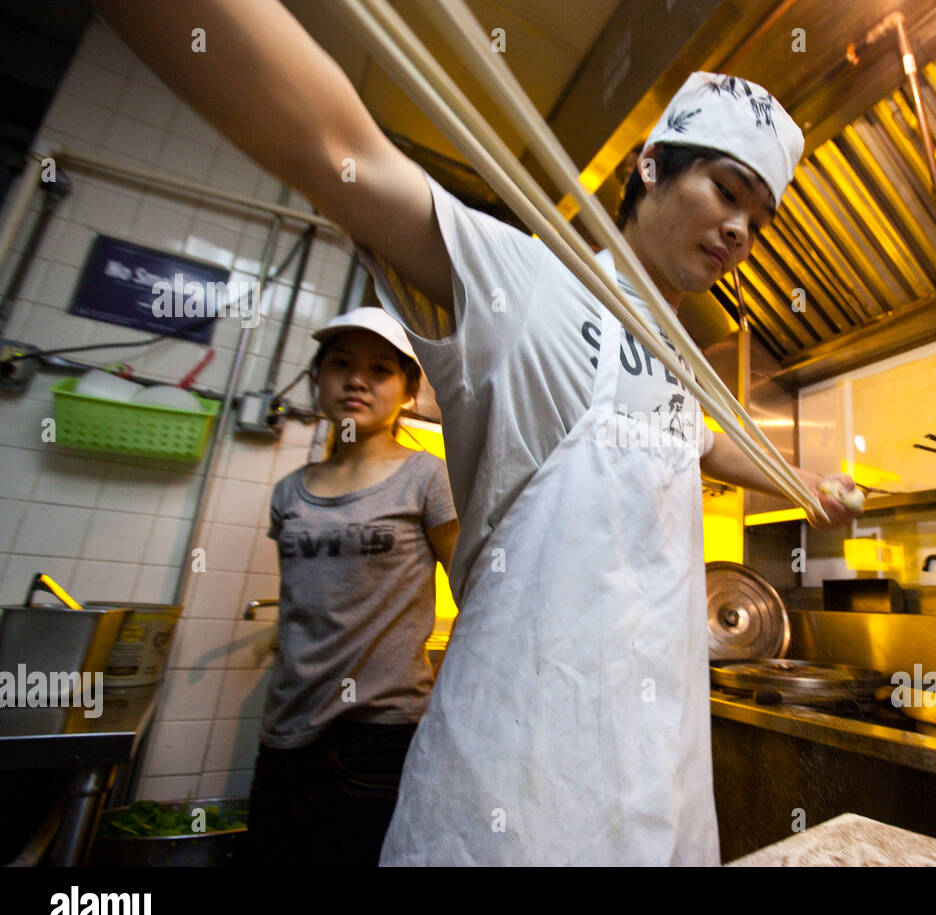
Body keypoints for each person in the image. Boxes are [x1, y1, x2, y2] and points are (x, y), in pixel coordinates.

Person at [92, 1, 860, 865]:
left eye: (759, 218)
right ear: (650, 165)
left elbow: (697, 438)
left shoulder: (681, 365)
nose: (740, 229)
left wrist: (799, 482)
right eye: (726, 189)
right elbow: (340, 149)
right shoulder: (531, 285)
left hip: (660, 781)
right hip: (512, 789)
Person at [248, 307, 458, 866]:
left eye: (381, 370)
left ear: (409, 392)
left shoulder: (427, 478)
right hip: (285, 728)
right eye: (341, 364)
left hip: (378, 735)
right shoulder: (289, 493)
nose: (357, 380)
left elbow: (475, 596)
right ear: (318, 379)